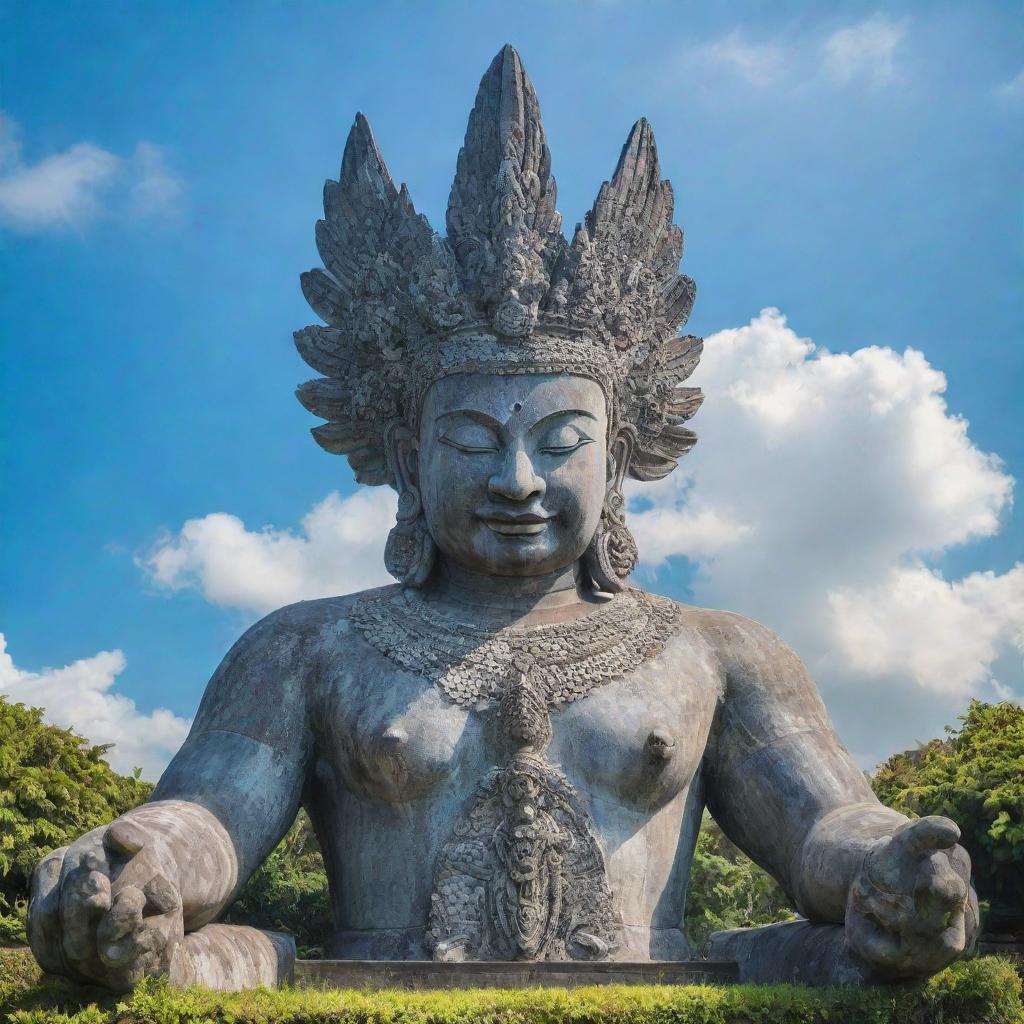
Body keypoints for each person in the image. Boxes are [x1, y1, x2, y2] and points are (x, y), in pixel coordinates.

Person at [28, 46, 977, 992]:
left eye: (562, 440)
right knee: (176, 962)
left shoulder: (720, 652)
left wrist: (891, 862)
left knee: (854, 964)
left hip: (655, 988)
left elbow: (823, 821)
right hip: (372, 994)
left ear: (616, 458)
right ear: (409, 456)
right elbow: (209, 812)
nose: (519, 480)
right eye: (474, 438)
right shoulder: (307, 648)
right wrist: (135, 861)